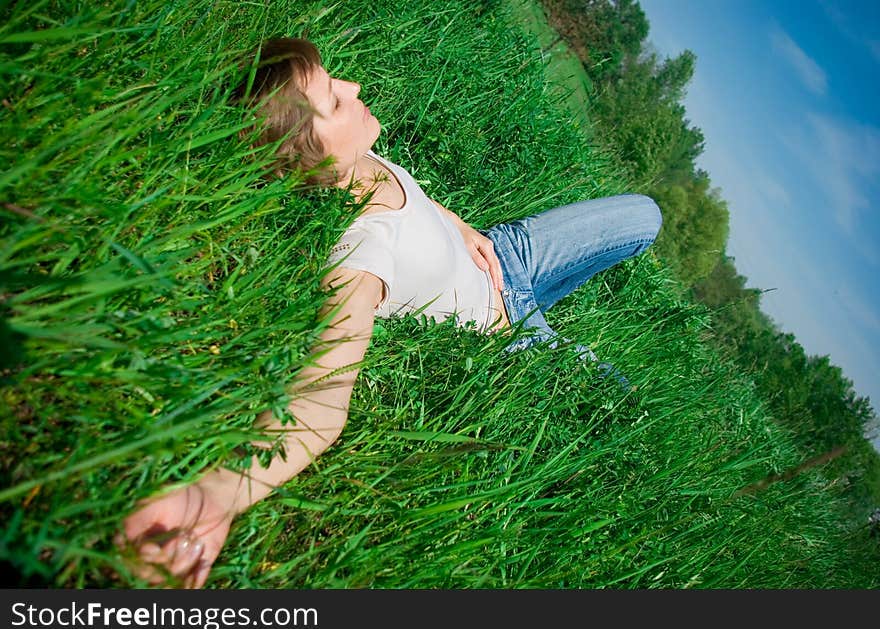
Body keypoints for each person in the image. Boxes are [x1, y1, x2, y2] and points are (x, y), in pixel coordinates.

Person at [115, 37, 663, 588]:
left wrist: (462, 227)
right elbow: (322, 397)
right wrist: (217, 494)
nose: (352, 88)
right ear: (309, 158)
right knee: (624, 402)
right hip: (511, 330)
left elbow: (416, 200)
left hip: (506, 255)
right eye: (333, 100)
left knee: (645, 215)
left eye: (335, 81)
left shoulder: (357, 159)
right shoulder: (361, 250)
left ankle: (540, 285)